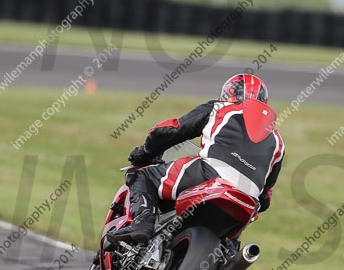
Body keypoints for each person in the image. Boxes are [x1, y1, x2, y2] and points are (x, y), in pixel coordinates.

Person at [109, 74, 285, 244]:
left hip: (210, 173)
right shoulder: (278, 141)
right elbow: (266, 196)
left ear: (228, 93)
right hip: (248, 198)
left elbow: (171, 130)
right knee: (231, 241)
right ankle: (228, 254)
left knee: (143, 176)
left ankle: (142, 224)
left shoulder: (220, 108)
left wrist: (146, 151)